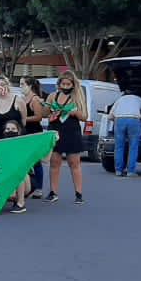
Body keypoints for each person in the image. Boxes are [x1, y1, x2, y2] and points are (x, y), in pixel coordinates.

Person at [45, 71, 88, 204]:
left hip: (71, 131)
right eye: (63, 83)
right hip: (55, 130)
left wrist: (74, 112)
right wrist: (51, 111)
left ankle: (79, 193)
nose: (65, 86)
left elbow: (84, 116)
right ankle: (53, 192)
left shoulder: (77, 97)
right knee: (54, 162)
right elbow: (45, 112)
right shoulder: (53, 96)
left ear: (73, 85)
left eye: (68, 84)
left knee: (74, 163)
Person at [109, 88, 141, 177]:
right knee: (133, 147)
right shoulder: (138, 99)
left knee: (119, 147)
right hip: (133, 120)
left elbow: (110, 116)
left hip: (119, 120)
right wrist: (140, 116)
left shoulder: (119, 100)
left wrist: (118, 119)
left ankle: (118, 170)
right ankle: (130, 171)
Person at [20, 77, 48, 198]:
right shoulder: (22, 99)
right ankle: (27, 186)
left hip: (34, 131)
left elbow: (38, 116)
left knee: (36, 161)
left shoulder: (34, 99)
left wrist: (24, 119)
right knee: (25, 161)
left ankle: (39, 188)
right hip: (24, 132)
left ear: (30, 85)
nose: (21, 86)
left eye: (22, 84)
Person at [1, 120, 31, 214]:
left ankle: (21, 203)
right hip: (5, 177)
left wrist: (52, 141)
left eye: (13, 129)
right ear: (4, 131)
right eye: (8, 129)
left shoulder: (25, 146)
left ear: (18, 131)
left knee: (19, 172)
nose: (10, 131)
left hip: (24, 180)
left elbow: (45, 160)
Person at [0, 76, 26, 140]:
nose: (0, 87)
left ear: (8, 85)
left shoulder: (19, 101)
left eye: (2, 84)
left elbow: (23, 121)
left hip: (16, 138)